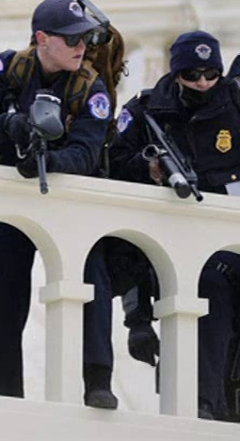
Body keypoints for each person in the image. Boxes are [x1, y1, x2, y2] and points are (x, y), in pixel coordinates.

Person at [0, 0, 118, 408]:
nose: (81, 48)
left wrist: (48, 161)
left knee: (89, 280)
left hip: (67, 199)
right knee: (0, 297)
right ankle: (2, 392)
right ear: (42, 39)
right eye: (70, 40)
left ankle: (97, 379)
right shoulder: (11, 68)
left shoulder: (89, 86)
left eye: (84, 39)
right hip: (8, 200)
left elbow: (86, 152)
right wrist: (11, 126)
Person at [108, 30, 240, 421]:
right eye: (192, 75)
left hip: (228, 234)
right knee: (206, 291)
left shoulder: (236, 104)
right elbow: (113, 162)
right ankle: (203, 405)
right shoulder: (147, 108)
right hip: (175, 240)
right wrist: (147, 170)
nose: (202, 83)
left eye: (210, 74)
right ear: (176, 73)